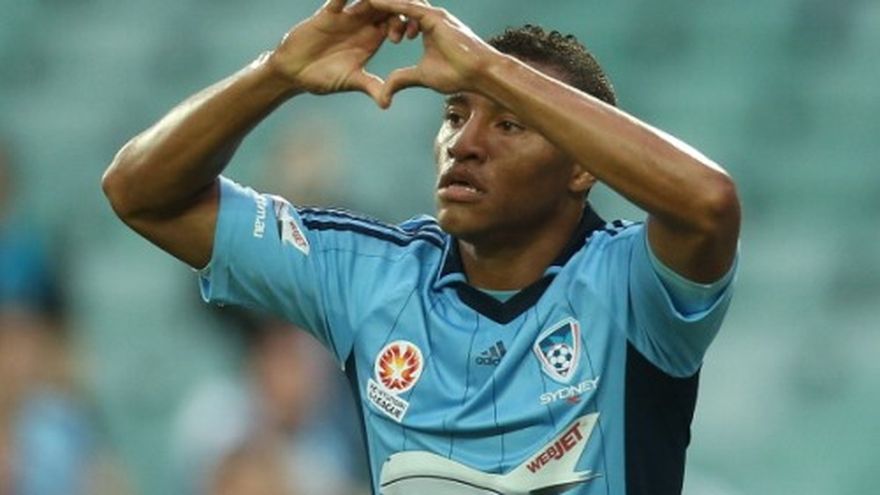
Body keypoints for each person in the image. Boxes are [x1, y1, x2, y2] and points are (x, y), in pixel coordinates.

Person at [102, 1, 741, 493]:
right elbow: (141, 192)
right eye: (455, 115)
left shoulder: (631, 287)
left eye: (509, 123)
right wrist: (275, 73)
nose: (465, 144)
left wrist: (488, 66)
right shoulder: (371, 276)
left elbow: (709, 203)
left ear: (581, 167)